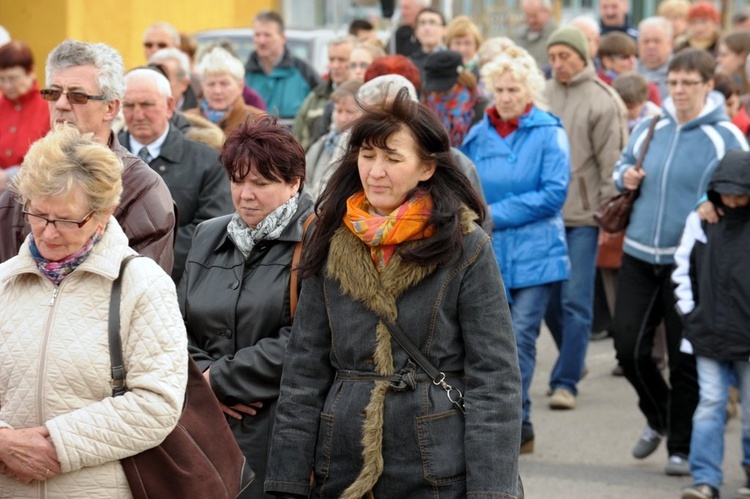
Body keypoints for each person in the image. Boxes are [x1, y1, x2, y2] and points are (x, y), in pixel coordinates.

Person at [264, 87, 522, 499]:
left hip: (435, 464)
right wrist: (286, 483)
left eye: (392, 158)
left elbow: (495, 381)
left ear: (426, 168)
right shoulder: (330, 238)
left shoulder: (465, 246)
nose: (376, 171)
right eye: (367, 156)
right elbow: (303, 373)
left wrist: (492, 492)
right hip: (342, 462)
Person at [0, 125, 188, 496]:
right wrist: (4, 442)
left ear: (103, 213)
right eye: (38, 215)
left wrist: (55, 446)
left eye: (67, 220)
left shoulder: (142, 285)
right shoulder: (3, 282)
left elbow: (157, 403)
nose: (49, 233)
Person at [611, 49, 749, 477]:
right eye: (673, 82)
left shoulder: (724, 135)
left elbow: (741, 186)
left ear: (709, 85)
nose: (680, 90)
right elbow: (621, 167)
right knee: (627, 346)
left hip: (688, 259)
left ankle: (682, 445)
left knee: (684, 355)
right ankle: (661, 416)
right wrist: (625, 177)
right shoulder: (652, 124)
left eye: (689, 82)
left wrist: (711, 203)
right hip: (637, 251)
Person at [178, 116, 314, 499]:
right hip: (203, 425)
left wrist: (218, 380)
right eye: (238, 181)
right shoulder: (208, 234)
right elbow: (175, 322)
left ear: (294, 182)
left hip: (280, 430)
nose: (245, 195)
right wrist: (204, 380)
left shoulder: (318, 238)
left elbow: (308, 337)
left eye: (261, 183)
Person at [461, 46, 570, 454]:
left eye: (513, 89)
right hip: (489, 253)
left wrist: (493, 213)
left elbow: (554, 193)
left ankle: (516, 422)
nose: (505, 96)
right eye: (499, 89)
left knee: (522, 338)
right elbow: (465, 188)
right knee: (492, 343)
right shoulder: (477, 136)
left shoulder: (548, 131)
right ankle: (511, 420)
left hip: (538, 253)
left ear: (529, 91)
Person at [0, 39, 176, 272]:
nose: (61, 104)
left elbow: (138, 294)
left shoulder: (142, 190)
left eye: (77, 96)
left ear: (111, 108)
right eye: (53, 93)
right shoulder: (27, 178)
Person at [544, 26, 628, 411]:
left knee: (576, 301)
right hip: (544, 215)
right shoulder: (542, 94)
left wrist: (609, 219)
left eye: (565, 56)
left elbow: (613, 164)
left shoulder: (602, 101)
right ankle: (573, 360)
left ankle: (566, 383)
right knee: (546, 301)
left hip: (583, 218)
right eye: (553, 57)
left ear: (582, 56)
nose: (558, 64)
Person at [673, 150, 750, 499]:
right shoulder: (702, 219)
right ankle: (705, 479)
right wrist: (691, 315)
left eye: (741, 192)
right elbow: (682, 269)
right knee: (710, 404)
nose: (733, 201)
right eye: (726, 192)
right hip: (707, 332)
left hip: (746, 335)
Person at [119, 68, 233, 282]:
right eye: (129, 105)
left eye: (146, 104)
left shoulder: (208, 162)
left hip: (181, 285)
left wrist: (145, 262)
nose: (138, 115)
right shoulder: (101, 160)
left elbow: (211, 229)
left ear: (170, 106)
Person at [244, 10, 322, 119]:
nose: (261, 41)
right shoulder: (244, 74)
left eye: (267, 35)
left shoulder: (303, 71)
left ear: (283, 38)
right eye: (257, 35)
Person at [292, 35, 355, 151]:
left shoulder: (363, 97)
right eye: (332, 59)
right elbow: (297, 136)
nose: (335, 66)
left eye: (342, 60)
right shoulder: (315, 97)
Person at [0, 40, 50, 182]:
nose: (7, 85)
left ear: (31, 72)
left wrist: (10, 176)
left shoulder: (49, 106)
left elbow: (52, 158)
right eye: (1, 79)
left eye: (13, 78)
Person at [305, 79, 362, 199]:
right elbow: (304, 182)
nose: (342, 118)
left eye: (349, 112)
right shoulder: (322, 145)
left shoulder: (363, 150)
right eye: (339, 111)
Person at [187, 47, 263, 136]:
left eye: (224, 84)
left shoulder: (258, 121)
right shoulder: (187, 120)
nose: (217, 91)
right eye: (211, 84)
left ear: (240, 86)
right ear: (202, 86)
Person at [597, 32, 661, 105]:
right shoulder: (596, 88)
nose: (632, 61)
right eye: (625, 57)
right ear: (607, 61)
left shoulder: (648, 89)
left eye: (634, 56)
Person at [636, 17, 675, 101]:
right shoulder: (629, 71)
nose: (651, 46)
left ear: (670, 44)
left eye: (657, 41)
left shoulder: (680, 72)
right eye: (646, 41)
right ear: (638, 44)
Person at [512, 0, 558, 70]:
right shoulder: (517, 36)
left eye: (534, 16)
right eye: (528, 15)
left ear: (547, 12)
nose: (531, 20)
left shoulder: (557, 38)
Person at [408, 7, 448, 79]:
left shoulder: (451, 61)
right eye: (422, 23)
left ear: (444, 30)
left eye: (432, 23)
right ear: (416, 32)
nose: (427, 28)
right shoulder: (409, 63)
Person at [716, 30, 750, 95]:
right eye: (718, 55)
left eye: (723, 55)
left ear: (742, 57)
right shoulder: (721, 82)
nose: (718, 59)